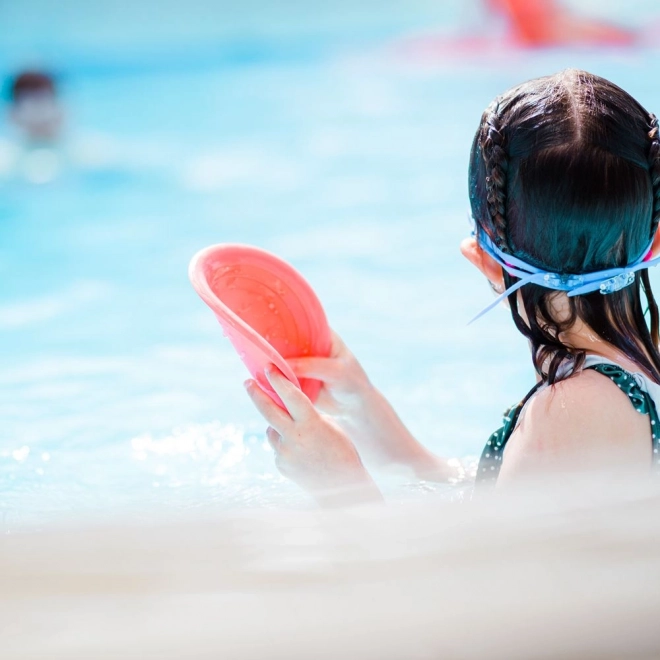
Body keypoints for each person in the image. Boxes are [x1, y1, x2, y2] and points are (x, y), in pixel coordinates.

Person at [245, 69, 660, 506]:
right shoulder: (625, 374)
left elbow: (485, 575)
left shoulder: (573, 415)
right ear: (653, 238)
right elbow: (484, 493)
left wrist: (339, 485)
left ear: (483, 260)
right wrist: (362, 406)